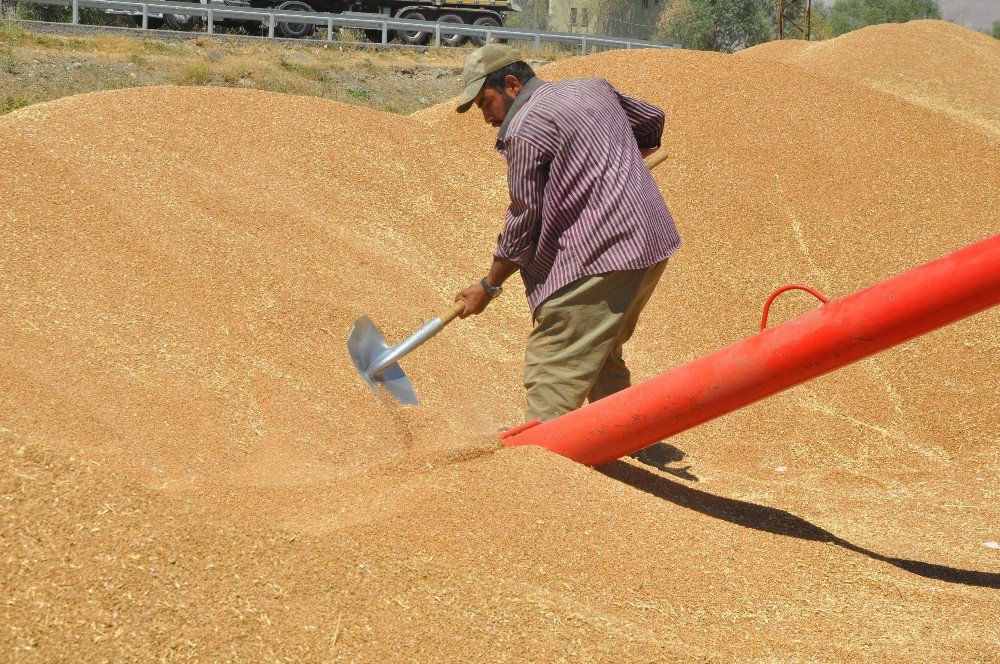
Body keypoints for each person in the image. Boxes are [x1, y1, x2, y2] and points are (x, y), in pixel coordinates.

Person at [453, 44, 681, 424]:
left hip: (602, 251)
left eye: (485, 103)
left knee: (555, 358)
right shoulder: (591, 88)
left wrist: (489, 285)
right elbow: (650, 118)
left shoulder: (524, 129)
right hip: (653, 239)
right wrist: (616, 156)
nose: (486, 117)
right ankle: (625, 435)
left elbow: (525, 217)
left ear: (511, 85)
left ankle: (545, 466)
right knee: (598, 346)